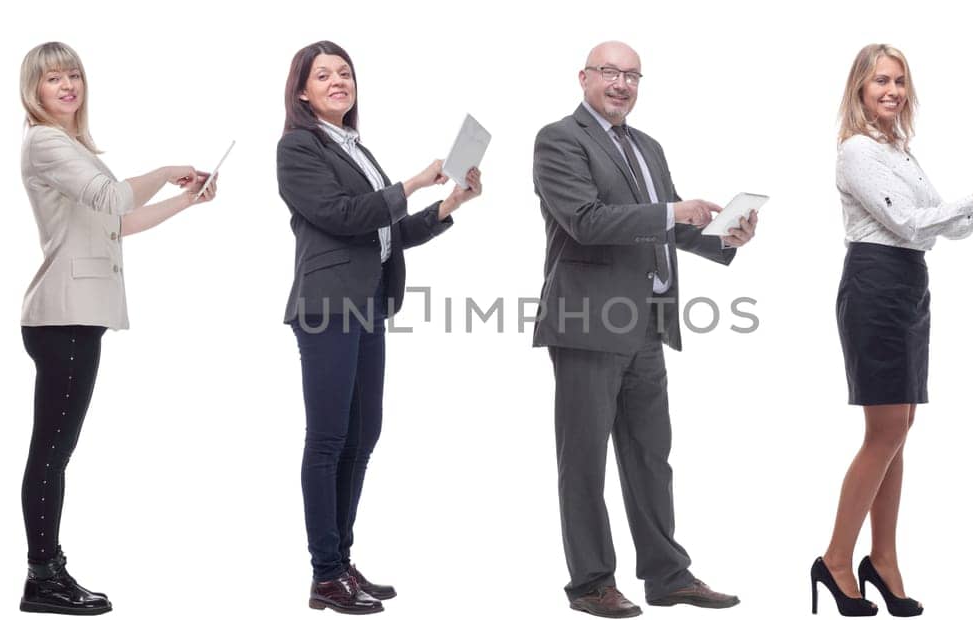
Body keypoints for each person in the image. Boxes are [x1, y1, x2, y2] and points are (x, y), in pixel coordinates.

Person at [532, 40, 754, 619]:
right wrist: (672, 213)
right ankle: (591, 584)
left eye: (632, 75)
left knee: (651, 457)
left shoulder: (647, 147)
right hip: (587, 323)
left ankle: (667, 576)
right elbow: (584, 222)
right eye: (610, 72)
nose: (621, 84)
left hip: (646, 326)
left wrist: (722, 236)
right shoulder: (559, 139)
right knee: (583, 461)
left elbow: (668, 224)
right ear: (583, 77)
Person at [811, 43, 973, 617]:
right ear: (859, 88)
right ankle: (836, 560)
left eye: (900, 81)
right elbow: (907, 223)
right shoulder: (856, 152)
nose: (892, 91)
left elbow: (945, 227)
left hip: (909, 283)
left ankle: (882, 559)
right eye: (880, 80)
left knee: (900, 426)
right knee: (883, 430)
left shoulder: (899, 151)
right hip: (875, 284)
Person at [276, 40, 482, 615]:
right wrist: (413, 184)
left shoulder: (356, 147)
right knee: (327, 440)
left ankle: (341, 562)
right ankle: (324, 573)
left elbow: (384, 232)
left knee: (363, 435)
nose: (338, 81)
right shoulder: (298, 147)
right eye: (324, 75)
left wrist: (450, 205)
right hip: (326, 306)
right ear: (302, 91)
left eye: (345, 73)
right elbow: (342, 218)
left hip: (367, 304)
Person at [16, 41, 216, 616]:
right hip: (64, 314)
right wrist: (166, 169)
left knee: (57, 449)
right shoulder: (45, 141)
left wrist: (186, 201)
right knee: (51, 451)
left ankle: (45, 571)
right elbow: (114, 195)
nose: (68, 85)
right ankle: (43, 575)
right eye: (54, 78)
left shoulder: (73, 146)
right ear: (35, 90)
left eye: (74, 74)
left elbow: (118, 219)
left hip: (78, 314)